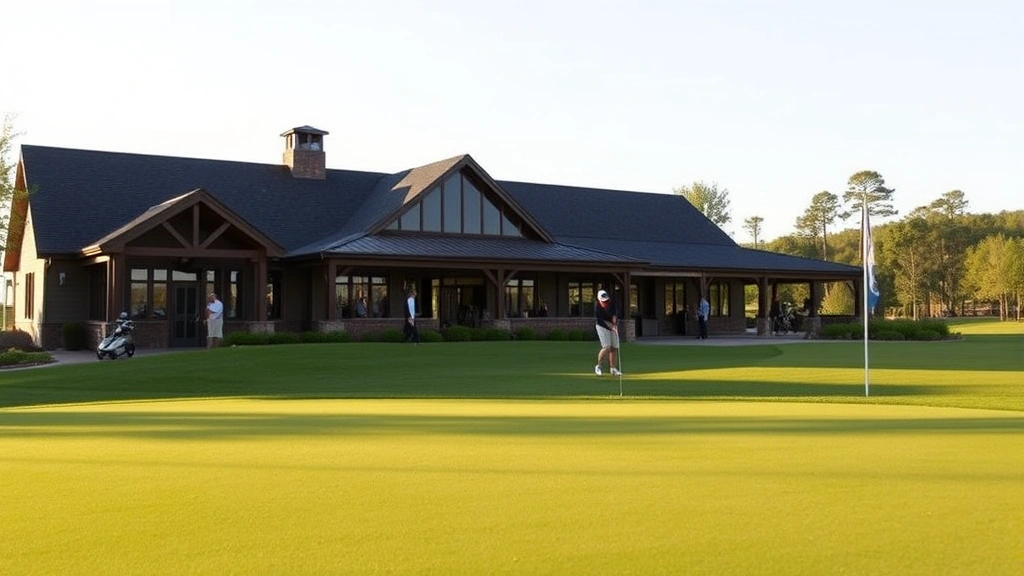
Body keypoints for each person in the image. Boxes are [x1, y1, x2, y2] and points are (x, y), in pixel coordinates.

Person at [593, 289, 622, 376]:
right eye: (603, 301)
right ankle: (599, 366)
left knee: (614, 347)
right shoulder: (597, 308)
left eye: (606, 301)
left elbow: (615, 314)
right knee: (607, 347)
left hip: (612, 325)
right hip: (602, 327)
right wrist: (612, 327)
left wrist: (615, 323)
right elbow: (602, 321)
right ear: (599, 300)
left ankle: (612, 369)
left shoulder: (612, 303)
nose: (605, 303)